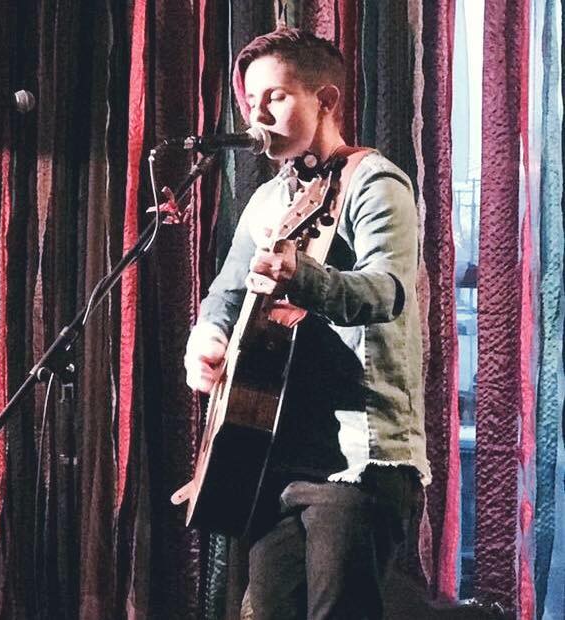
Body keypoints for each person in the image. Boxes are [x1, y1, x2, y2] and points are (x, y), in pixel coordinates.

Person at [183, 27, 430, 620]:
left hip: (358, 456)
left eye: (275, 97)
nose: (257, 115)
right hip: (273, 454)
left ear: (326, 100)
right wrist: (208, 337)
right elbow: (226, 291)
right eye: (250, 101)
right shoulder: (269, 200)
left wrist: (304, 278)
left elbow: (388, 292)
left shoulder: (377, 183)